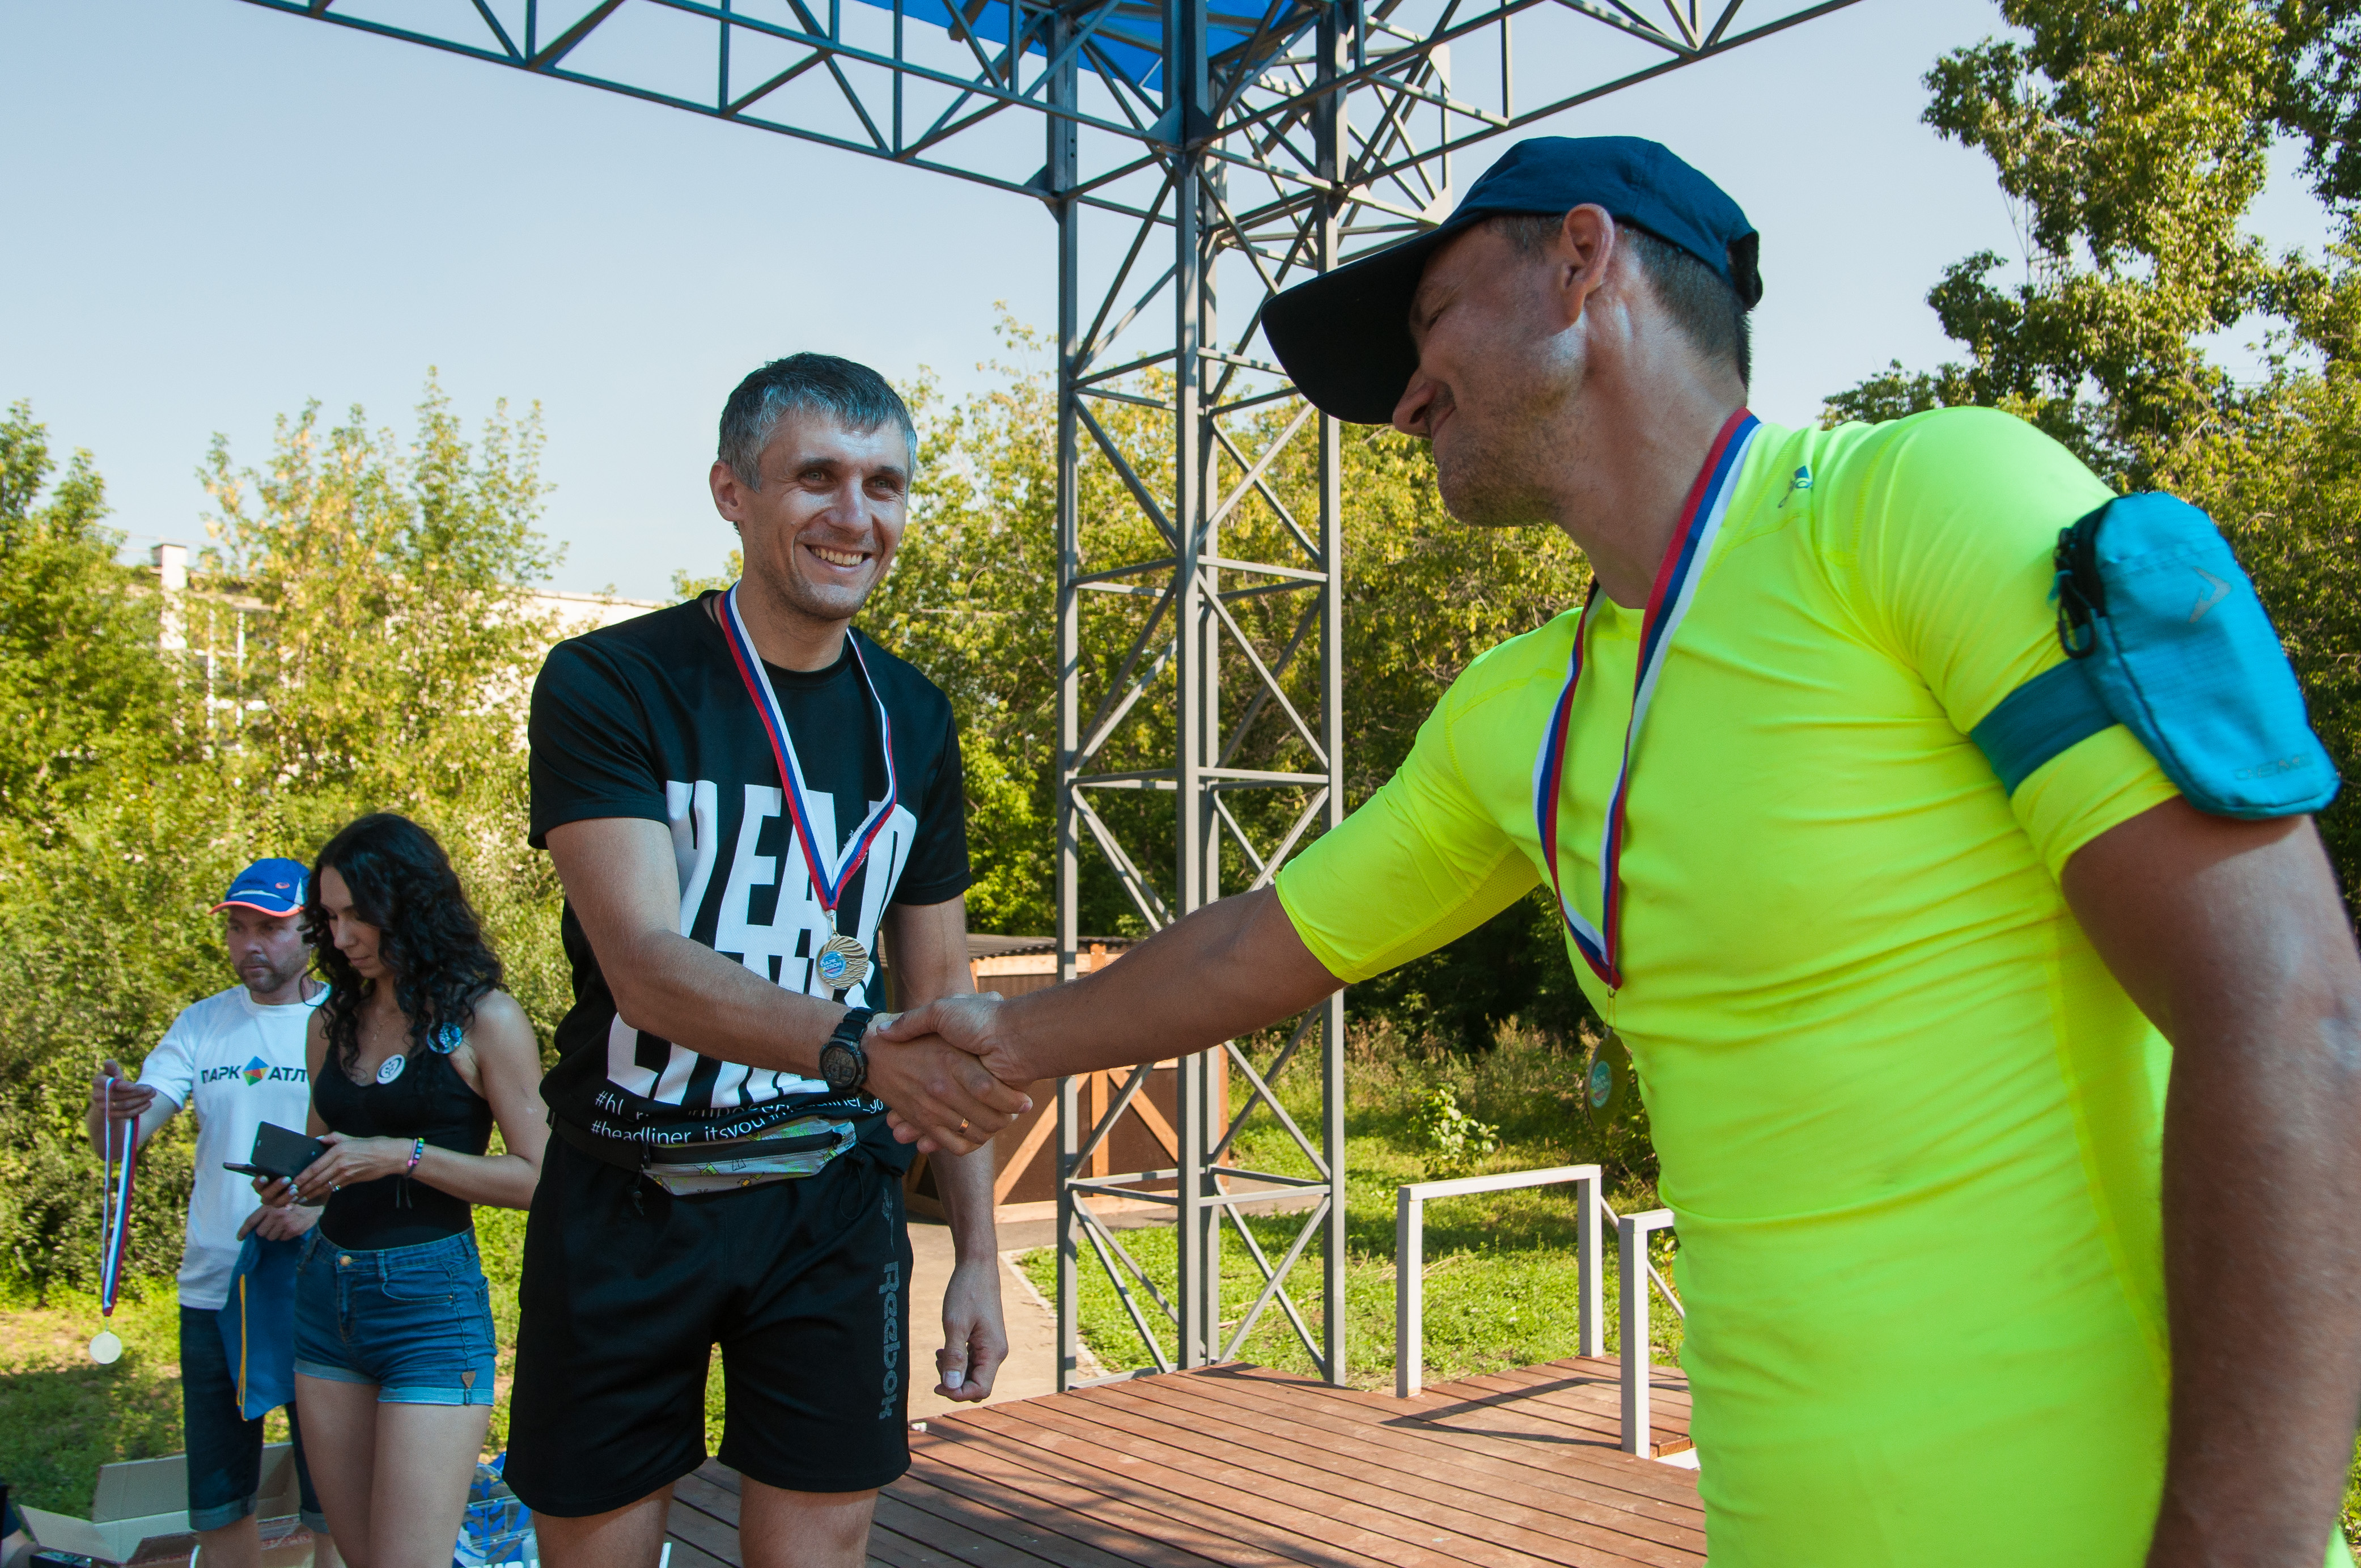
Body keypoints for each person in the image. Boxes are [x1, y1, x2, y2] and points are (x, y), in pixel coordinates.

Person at [878, 137, 2361, 1567]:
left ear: (1581, 263)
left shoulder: (1923, 502)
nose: (1400, 399)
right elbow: (1259, 941)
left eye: (1431, 317)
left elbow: (2286, 1009)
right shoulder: (1516, 712)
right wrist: (1006, 1036)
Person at [510, 352, 1028, 1568]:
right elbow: (645, 965)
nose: (856, 515)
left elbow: (944, 998)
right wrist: (861, 1050)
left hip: (827, 1205)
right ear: (731, 493)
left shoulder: (915, 717)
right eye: (818, 478)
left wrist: (978, 1258)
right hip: (629, 1190)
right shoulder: (611, 680)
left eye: (885, 485)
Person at [252, 813, 548, 1568]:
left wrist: (401, 1157)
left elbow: (539, 1177)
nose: (342, 935)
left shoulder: (485, 1018)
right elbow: (327, 1157)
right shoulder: (332, 1021)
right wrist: (295, 1185)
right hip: (326, 1297)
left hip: (428, 1307)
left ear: (410, 903)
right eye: (330, 917)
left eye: (359, 914)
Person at [83, 859, 339, 1568]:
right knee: (220, 1501)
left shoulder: (347, 1020)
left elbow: (379, 1152)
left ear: (313, 932)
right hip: (214, 1287)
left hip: (320, 1283)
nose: (250, 944)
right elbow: (123, 1140)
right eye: (237, 928)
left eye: (270, 928)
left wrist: (318, 1215)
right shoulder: (202, 1023)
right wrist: (108, 1111)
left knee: (335, 1496)